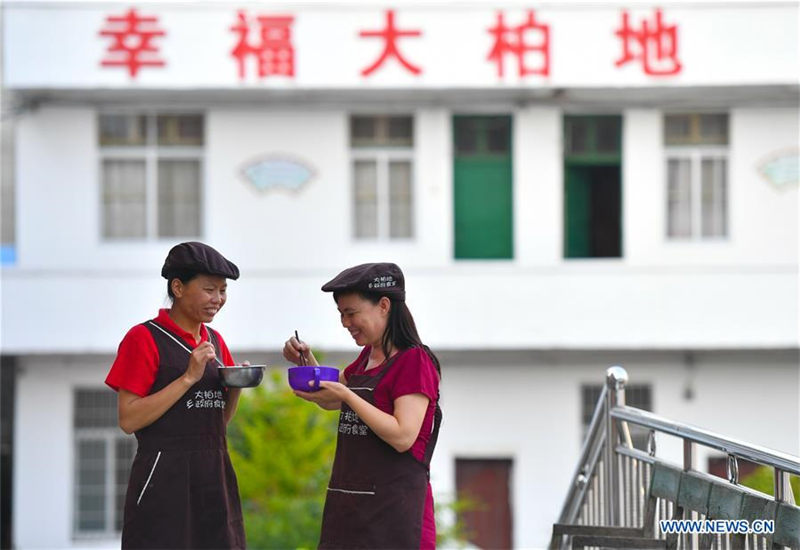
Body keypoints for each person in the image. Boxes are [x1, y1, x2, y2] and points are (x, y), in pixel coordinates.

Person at [283, 262, 442, 550]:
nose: (345, 323)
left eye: (351, 313)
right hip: (351, 510)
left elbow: (403, 436)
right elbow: (332, 397)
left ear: (383, 305)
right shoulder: (367, 357)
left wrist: (347, 395)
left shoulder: (414, 361)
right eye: (342, 314)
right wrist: (306, 363)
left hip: (396, 516)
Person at [105, 242, 246, 549]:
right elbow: (128, 419)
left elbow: (216, 423)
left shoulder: (215, 340)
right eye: (210, 289)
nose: (218, 299)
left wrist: (234, 389)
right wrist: (188, 378)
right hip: (163, 477)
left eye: (223, 291)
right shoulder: (144, 338)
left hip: (214, 474)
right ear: (178, 287)